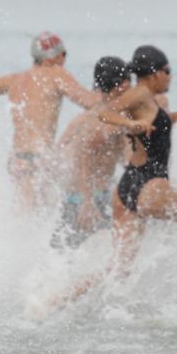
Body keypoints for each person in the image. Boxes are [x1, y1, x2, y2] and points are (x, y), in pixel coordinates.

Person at [56, 45, 177, 312]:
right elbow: (103, 114)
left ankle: (56, 300)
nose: (170, 77)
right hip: (149, 182)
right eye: (168, 71)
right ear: (154, 73)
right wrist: (131, 125)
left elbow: (159, 122)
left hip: (128, 186)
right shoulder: (139, 94)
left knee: (118, 268)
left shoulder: (146, 99)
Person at [0, 32, 102, 209]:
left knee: (24, 217)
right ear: (53, 56)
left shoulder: (15, 79)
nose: (65, 58)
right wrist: (117, 94)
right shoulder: (57, 74)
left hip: (17, 159)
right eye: (64, 54)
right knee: (40, 215)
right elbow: (88, 102)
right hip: (39, 158)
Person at [51, 56, 132, 249]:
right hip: (92, 201)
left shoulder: (83, 118)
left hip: (71, 199)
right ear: (122, 85)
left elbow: (57, 155)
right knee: (116, 256)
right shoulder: (114, 119)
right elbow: (82, 153)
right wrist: (87, 202)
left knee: (60, 259)